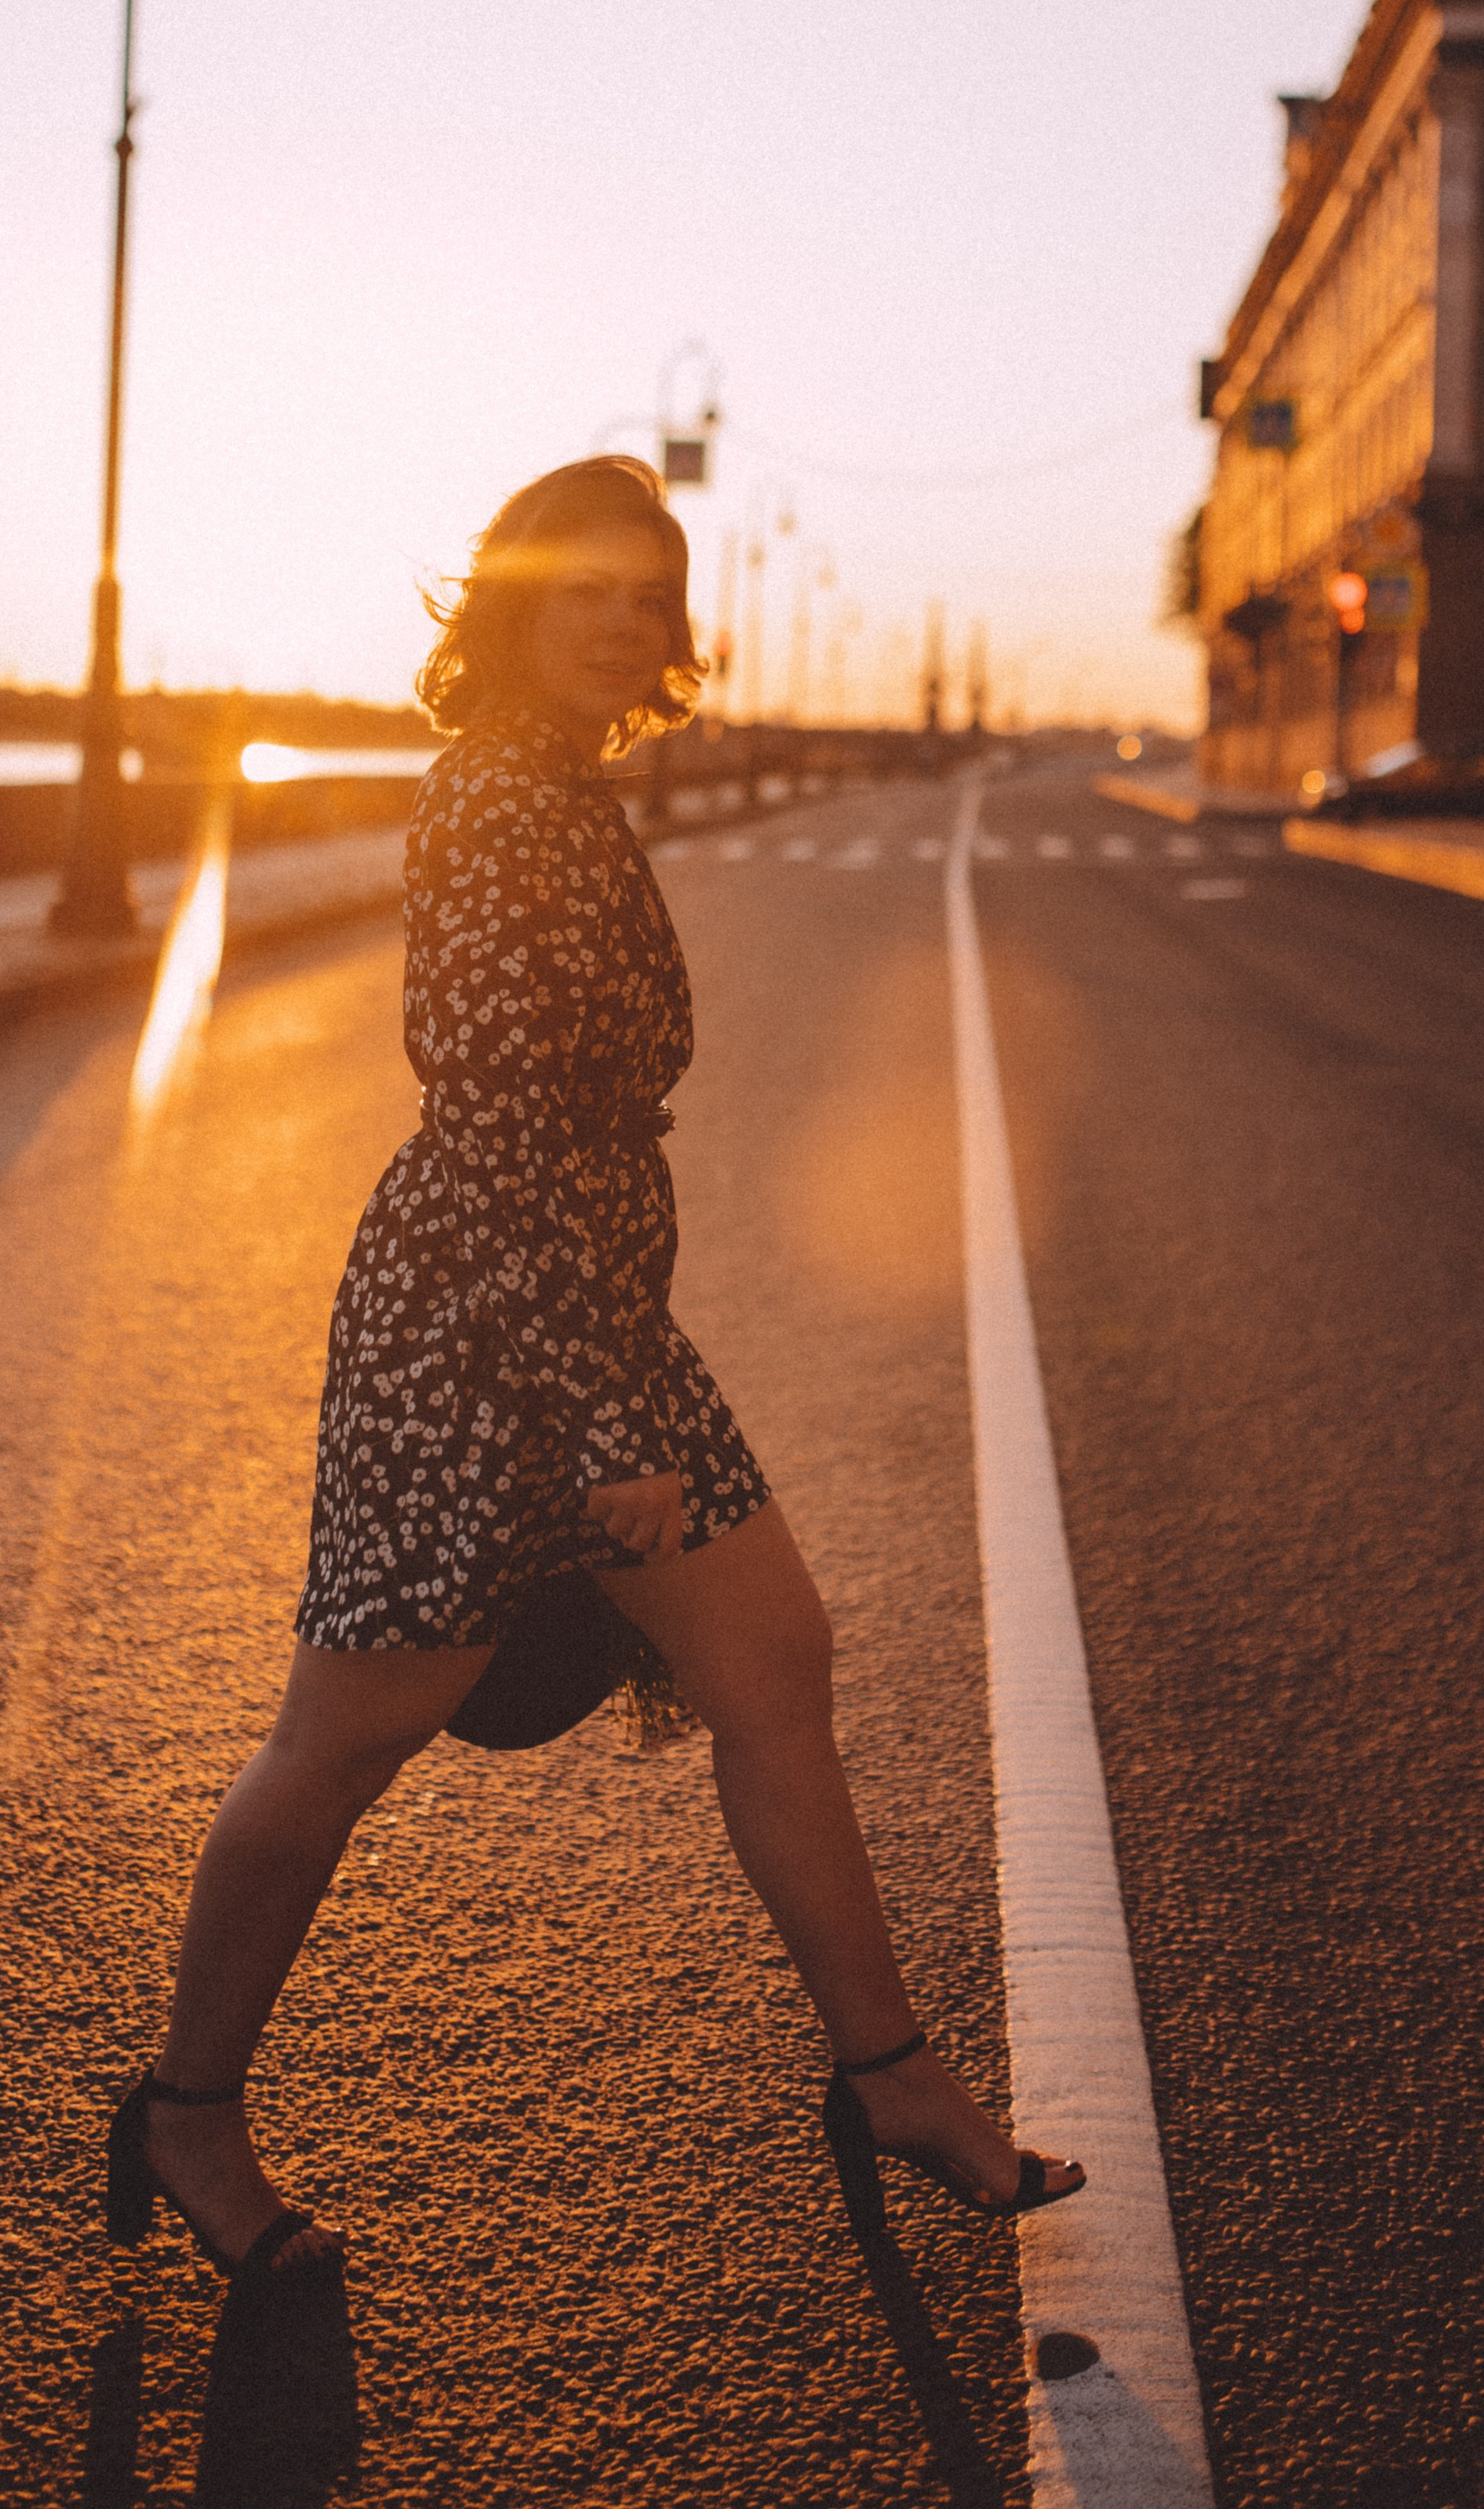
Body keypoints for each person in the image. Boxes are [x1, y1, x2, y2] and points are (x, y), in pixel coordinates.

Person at [106, 455, 1084, 2279]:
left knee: (774, 1657)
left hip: (585, 1316)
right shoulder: (494, 802)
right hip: (482, 1344)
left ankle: (888, 2070)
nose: (631, 624)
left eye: (653, 596)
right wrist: (603, 1420)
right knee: (343, 1738)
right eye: (591, 593)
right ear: (507, 607)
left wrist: (623, 1371)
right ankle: (184, 2108)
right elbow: (490, 1128)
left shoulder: (553, 792)